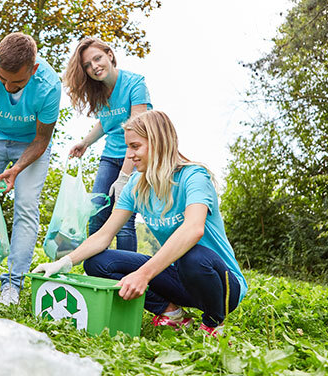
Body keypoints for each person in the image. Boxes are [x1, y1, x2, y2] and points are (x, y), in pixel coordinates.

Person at [33, 111, 248, 336]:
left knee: (192, 256)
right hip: (179, 278)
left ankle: (213, 324)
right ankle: (171, 314)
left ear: (158, 142)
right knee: (97, 263)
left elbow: (193, 229)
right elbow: (104, 235)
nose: (129, 155)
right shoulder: (136, 184)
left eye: (135, 146)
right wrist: (65, 263)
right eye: (128, 147)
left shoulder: (194, 177)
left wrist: (143, 274)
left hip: (221, 286)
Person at [0, 32, 61, 305]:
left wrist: (16, 169)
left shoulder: (49, 86)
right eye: (3, 79)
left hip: (31, 144)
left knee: (27, 206)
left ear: (34, 69)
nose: (7, 87)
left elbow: (42, 139)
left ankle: (13, 284)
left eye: (16, 82)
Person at [63, 37, 153, 252]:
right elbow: (106, 122)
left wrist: (124, 178)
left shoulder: (135, 84)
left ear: (110, 55)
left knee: (123, 221)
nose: (94, 66)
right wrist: (85, 143)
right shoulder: (100, 91)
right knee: (96, 214)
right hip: (110, 157)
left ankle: (125, 278)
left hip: (135, 160)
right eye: (87, 65)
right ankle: (95, 267)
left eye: (97, 58)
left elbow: (140, 132)